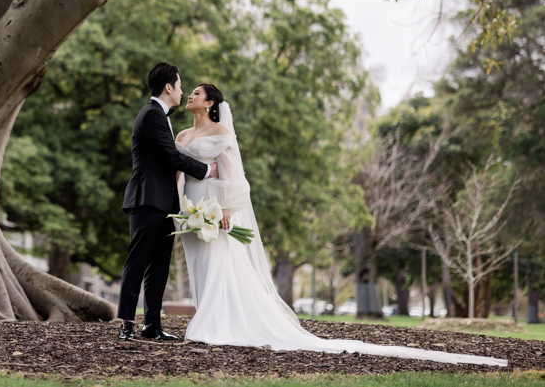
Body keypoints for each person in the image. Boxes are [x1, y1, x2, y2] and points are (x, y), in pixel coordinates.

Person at [172, 83, 507, 367]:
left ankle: (215, 324)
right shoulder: (183, 133)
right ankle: (208, 314)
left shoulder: (222, 132)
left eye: (197, 93)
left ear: (211, 102)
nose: (191, 96)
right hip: (192, 207)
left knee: (219, 263)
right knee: (199, 264)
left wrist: (227, 206)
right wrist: (180, 205)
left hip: (216, 207)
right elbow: (176, 168)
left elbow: (235, 175)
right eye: (191, 92)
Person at [117, 63, 219, 342]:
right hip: (146, 199)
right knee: (137, 262)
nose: (183, 91)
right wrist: (208, 170)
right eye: (181, 85)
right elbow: (170, 156)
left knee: (160, 265)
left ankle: (152, 324)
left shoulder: (160, 116)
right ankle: (126, 322)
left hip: (163, 202)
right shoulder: (150, 115)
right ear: (169, 87)